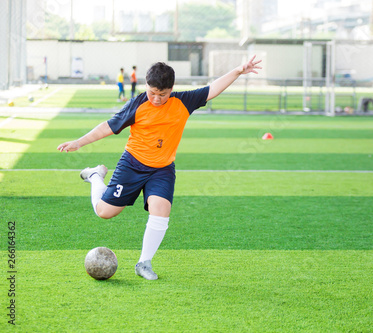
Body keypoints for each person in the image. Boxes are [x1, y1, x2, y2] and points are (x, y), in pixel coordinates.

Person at [57, 56, 262, 280]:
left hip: (162, 169)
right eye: (152, 92)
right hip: (132, 164)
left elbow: (212, 89)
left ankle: (143, 263)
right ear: (146, 86)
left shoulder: (184, 101)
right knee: (105, 212)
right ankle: (96, 176)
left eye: (162, 94)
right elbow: (108, 127)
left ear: (171, 89)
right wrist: (79, 142)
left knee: (161, 210)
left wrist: (239, 70)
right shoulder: (137, 104)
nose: (156, 98)